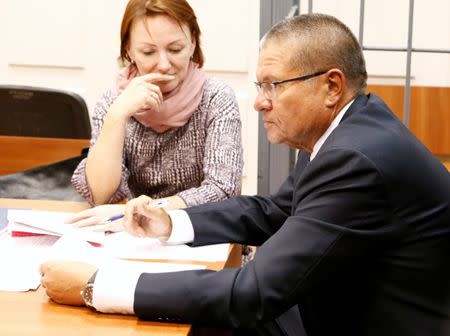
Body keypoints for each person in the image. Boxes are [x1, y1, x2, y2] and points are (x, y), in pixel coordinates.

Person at [40, 14, 450, 336]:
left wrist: (96, 285)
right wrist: (169, 221)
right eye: (260, 85)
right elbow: (275, 210)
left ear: (331, 86)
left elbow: (253, 294)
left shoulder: (356, 158)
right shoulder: (348, 131)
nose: (259, 102)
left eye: (273, 86)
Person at [69, 0, 243, 225]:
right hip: (135, 235)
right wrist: (116, 116)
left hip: (202, 233)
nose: (163, 64)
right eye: (148, 52)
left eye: (175, 49)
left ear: (192, 43)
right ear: (128, 50)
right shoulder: (114, 102)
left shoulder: (216, 97)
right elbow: (100, 196)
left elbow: (223, 190)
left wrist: (146, 210)